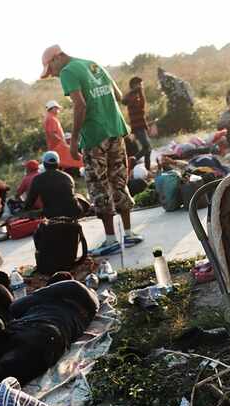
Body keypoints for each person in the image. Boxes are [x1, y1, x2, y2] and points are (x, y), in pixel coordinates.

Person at [40, 45, 143, 256]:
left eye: (52, 69)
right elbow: (117, 93)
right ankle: (129, 233)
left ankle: (111, 239)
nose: (54, 74)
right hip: (115, 129)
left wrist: (75, 138)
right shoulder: (93, 64)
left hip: (95, 135)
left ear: (57, 58)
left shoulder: (68, 71)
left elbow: (80, 105)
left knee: (99, 185)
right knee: (119, 181)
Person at [24, 151, 89, 219]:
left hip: (52, 214)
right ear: (58, 163)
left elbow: (29, 202)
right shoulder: (67, 177)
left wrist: (25, 211)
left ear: (44, 164)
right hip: (74, 212)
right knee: (78, 195)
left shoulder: (37, 179)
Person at [42, 100, 84, 172]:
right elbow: (52, 134)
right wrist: (62, 142)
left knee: (66, 162)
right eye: (57, 108)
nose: (58, 110)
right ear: (53, 108)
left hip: (56, 146)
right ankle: (86, 167)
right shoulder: (51, 118)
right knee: (76, 158)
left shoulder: (50, 117)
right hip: (58, 146)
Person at [122, 76, 152, 172]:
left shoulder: (136, 94)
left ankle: (147, 169)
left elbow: (142, 108)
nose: (142, 86)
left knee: (148, 149)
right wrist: (136, 91)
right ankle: (132, 161)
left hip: (141, 125)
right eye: (140, 84)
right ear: (135, 85)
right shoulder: (132, 95)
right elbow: (125, 101)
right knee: (146, 147)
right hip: (137, 126)